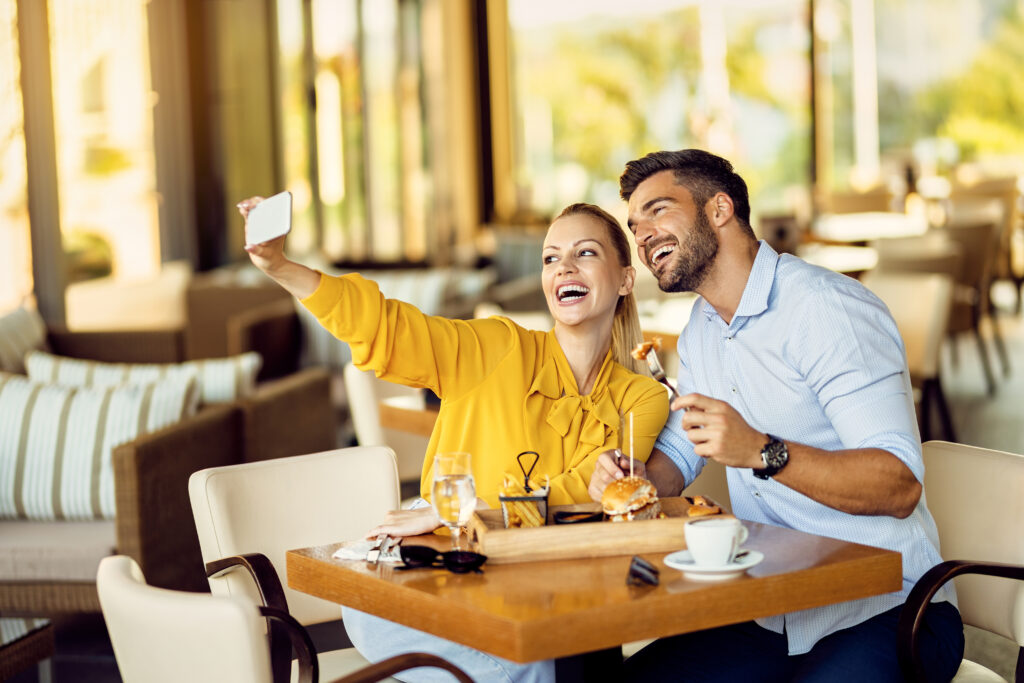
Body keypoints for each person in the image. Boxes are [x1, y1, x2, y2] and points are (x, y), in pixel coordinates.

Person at [240, 199, 669, 682]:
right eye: (550, 258)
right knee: (377, 612)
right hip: (443, 574)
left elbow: (581, 493)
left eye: (585, 252)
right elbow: (387, 328)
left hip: (544, 587)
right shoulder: (497, 346)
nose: (563, 267)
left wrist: (466, 510)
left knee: (537, 650)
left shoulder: (643, 398)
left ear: (626, 280)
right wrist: (281, 267)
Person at [588, 149, 964, 682]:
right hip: (773, 607)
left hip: (891, 607)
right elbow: (679, 448)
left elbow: (899, 485)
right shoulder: (700, 330)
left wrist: (763, 452)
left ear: (719, 209)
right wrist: (639, 479)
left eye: (658, 211)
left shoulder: (826, 309)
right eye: (634, 225)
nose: (642, 235)